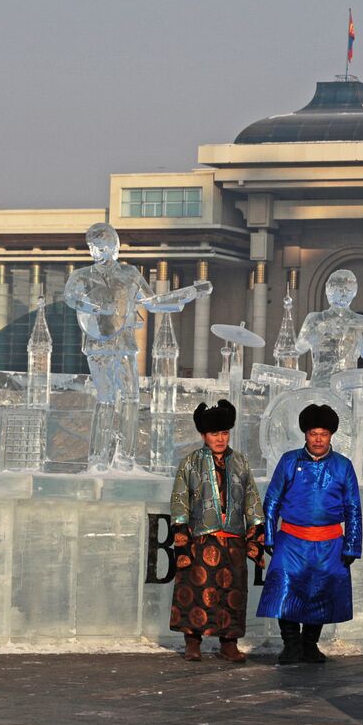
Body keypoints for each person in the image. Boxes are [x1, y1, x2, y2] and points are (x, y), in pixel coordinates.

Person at [65, 223, 211, 470]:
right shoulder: (82, 276)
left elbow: (153, 302)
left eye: (99, 247)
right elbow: (70, 297)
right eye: (91, 248)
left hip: (124, 343)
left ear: (113, 247)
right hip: (98, 344)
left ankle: (125, 456)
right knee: (105, 399)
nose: (94, 253)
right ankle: (99, 457)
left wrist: (189, 293)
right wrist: (95, 308)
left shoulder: (129, 274)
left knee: (131, 397)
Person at [257, 403, 362, 664]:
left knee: (322, 593)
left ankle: (310, 645)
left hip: (329, 542)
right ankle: (291, 645)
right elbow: (272, 500)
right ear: (305, 434)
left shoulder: (342, 466)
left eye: (323, 434)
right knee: (286, 590)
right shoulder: (289, 461)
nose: (318, 439)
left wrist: (351, 545)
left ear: (331, 436)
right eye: (313, 433)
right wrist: (269, 535)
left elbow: (353, 508)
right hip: (291, 539)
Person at [169, 399, 264, 663]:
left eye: (224, 433)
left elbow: (252, 500)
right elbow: (179, 500)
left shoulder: (241, 463)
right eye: (214, 434)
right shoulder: (190, 463)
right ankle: (192, 642)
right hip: (202, 539)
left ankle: (229, 643)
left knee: (232, 594)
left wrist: (255, 535)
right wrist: (182, 537)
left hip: (233, 540)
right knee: (197, 591)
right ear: (203, 435)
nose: (220, 439)